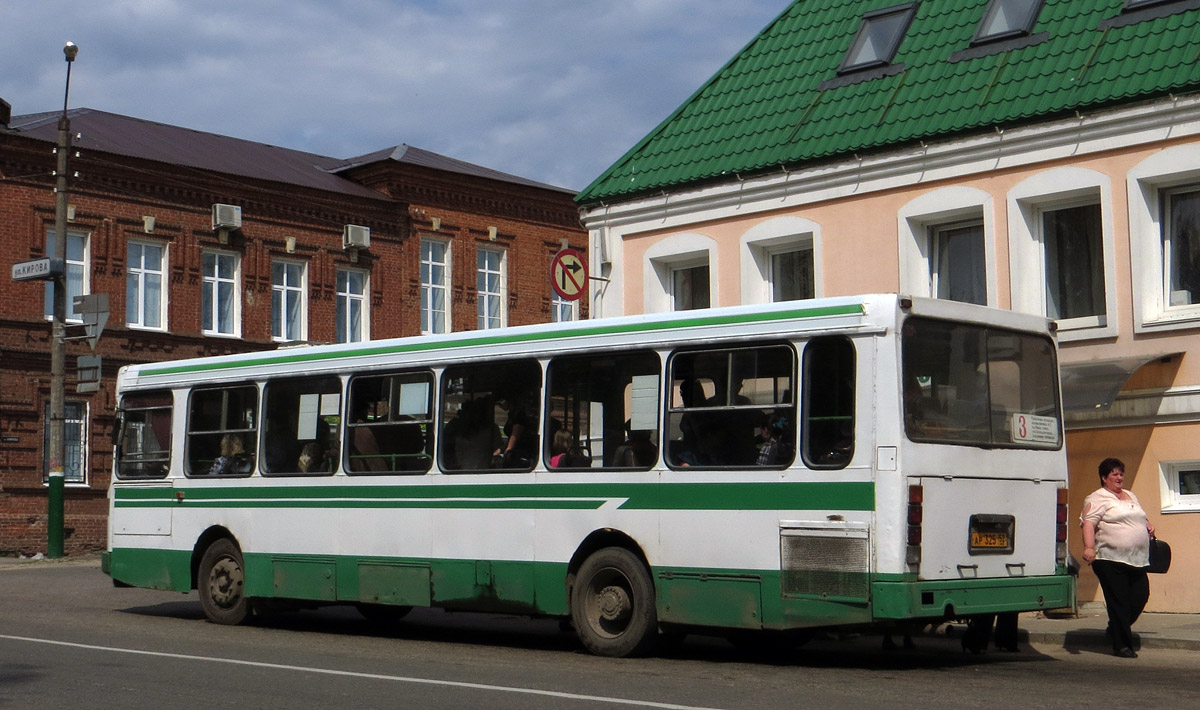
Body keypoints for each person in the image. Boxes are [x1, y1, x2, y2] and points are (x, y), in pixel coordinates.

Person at [1080, 457, 1155, 658]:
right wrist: (1089, 547)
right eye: (1115, 474)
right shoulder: (1097, 498)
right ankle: (1122, 645)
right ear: (1104, 478)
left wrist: (1147, 524)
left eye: (1121, 473)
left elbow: (1139, 516)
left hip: (1136, 559)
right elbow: (1088, 523)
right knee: (1119, 602)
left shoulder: (1130, 495)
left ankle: (1115, 626)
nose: (1120, 477)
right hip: (1109, 558)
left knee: (1141, 596)